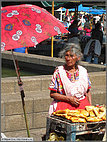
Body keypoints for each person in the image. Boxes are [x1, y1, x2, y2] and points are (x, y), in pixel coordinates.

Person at [48, 43, 92, 115]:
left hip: (83, 107)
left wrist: (90, 107)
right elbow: (52, 94)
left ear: (78, 57)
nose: (68, 59)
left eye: (71, 56)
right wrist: (69, 99)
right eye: (66, 55)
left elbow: (87, 92)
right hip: (64, 108)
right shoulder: (59, 72)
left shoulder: (83, 71)